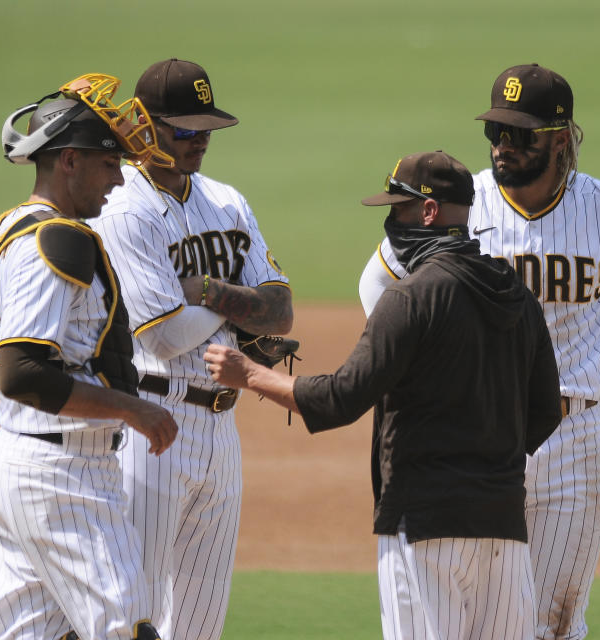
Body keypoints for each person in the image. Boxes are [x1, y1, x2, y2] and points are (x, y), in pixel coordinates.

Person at [358, 64, 600, 639]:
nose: (503, 147)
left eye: (520, 134)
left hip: (573, 439)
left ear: (561, 138)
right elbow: (379, 285)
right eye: (496, 132)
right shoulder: (467, 206)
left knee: (554, 626)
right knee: (469, 621)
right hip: (476, 435)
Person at [205, 150, 563, 640]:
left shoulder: (410, 297)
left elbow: (341, 399)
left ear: (429, 212)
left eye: (399, 209)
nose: (392, 222)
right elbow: (545, 411)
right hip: (503, 524)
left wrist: (249, 374)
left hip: (423, 523)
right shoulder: (518, 297)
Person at [89, 58, 293, 640]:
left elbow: (280, 310)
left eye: (206, 128)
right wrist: (236, 302)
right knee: (137, 614)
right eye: (185, 128)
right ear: (145, 127)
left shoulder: (226, 201)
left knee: (202, 625)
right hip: (154, 423)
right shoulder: (123, 207)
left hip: (221, 431)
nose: (200, 140)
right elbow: (163, 333)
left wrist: (205, 289)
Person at [0, 75, 179, 640]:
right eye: (109, 163)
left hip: (20, 465)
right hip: (64, 476)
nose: (119, 178)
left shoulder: (1, 235)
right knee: (129, 628)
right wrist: (134, 410)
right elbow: (22, 374)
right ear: (68, 160)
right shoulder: (59, 241)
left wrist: (22, 521)